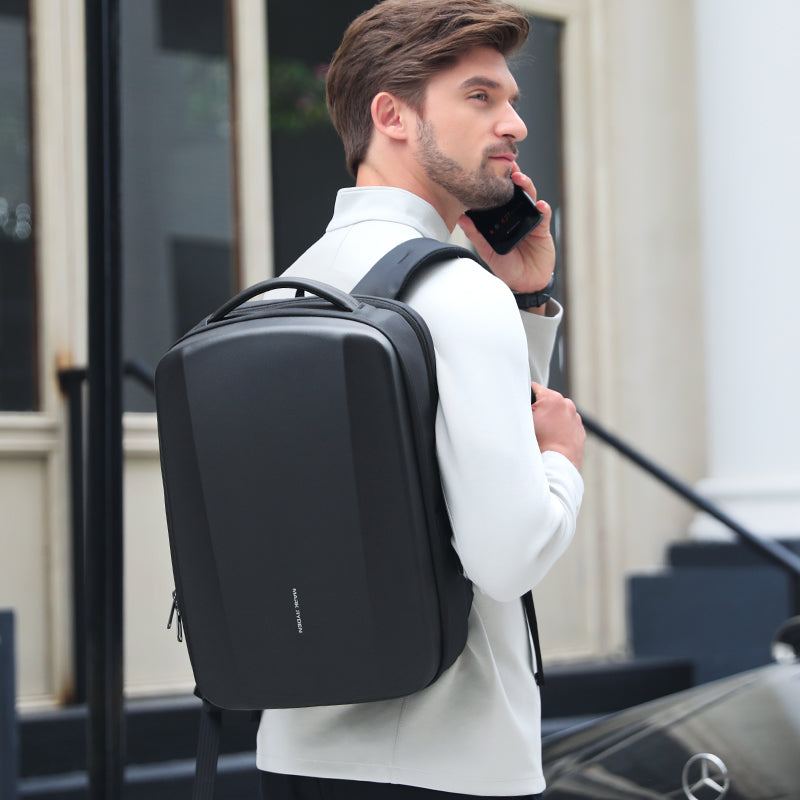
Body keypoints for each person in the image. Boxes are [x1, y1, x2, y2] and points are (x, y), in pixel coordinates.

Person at [257, 1, 585, 798]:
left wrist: (526, 304)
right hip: (448, 764)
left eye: (509, 97)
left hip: (292, 753)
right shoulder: (452, 291)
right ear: (391, 115)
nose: (514, 124)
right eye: (480, 97)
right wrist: (560, 464)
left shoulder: (280, 292)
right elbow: (506, 558)